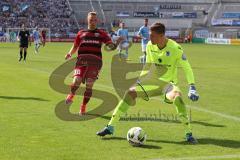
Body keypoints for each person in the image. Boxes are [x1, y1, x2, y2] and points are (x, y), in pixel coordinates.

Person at [96, 22, 200, 144]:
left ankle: (189, 133)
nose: (149, 38)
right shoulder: (150, 45)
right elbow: (148, 64)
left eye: (152, 35)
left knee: (178, 99)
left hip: (168, 84)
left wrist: (192, 86)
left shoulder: (175, 48)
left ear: (162, 35)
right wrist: (139, 80)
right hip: (151, 81)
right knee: (130, 93)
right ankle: (110, 127)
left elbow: (187, 67)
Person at [65, 12, 123, 115]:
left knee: (89, 85)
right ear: (87, 20)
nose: (93, 22)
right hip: (81, 62)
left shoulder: (102, 34)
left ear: (97, 21)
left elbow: (111, 47)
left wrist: (117, 43)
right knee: (76, 81)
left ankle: (83, 106)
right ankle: (71, 94)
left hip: (95, 64)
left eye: (94, 20)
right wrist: (70, 53)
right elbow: (75, 47)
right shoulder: (81, 33)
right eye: (91, 20)